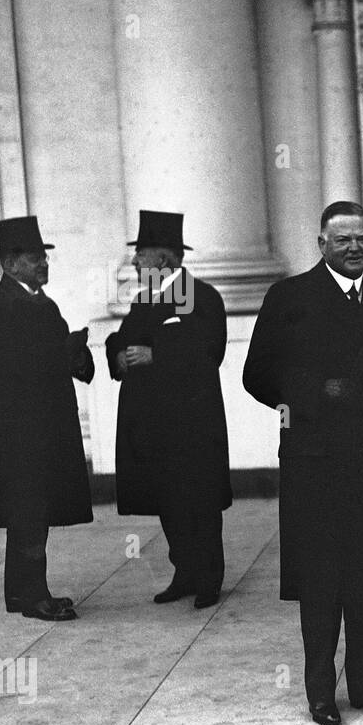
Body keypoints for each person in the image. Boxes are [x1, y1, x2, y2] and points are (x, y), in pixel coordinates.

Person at [243, 201, 363, 725]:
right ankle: (320, 691)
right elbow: (256, 374)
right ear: (320, 243)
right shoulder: (290, 297)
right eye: (342, 239)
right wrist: (316, 392)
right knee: (322, 579)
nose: (354, 248)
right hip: (315, 462)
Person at [0, 216, 93, 621]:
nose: (44, 264)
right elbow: (9, 359)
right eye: (36, 257)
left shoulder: (44, 304)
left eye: (44, 257)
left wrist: (77, 352)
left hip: (46, 426)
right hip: (17, 428)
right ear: (10, 263)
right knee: (26, 509)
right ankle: (34, 596)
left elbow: (55, 355)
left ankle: (20, 595)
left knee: (32, 509)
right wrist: (61, 350)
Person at [105, 211, 231, 608]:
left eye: (141, 256)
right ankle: (186, 572)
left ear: (164, 261)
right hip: (153, 425)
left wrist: (157, 354)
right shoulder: (146, 299)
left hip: (192, 423)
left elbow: (210, 350)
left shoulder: (202, 296)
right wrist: (119, 356)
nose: (136, 264)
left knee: (200, 500)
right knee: (168, 499)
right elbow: (121, 339)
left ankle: (209, 578)